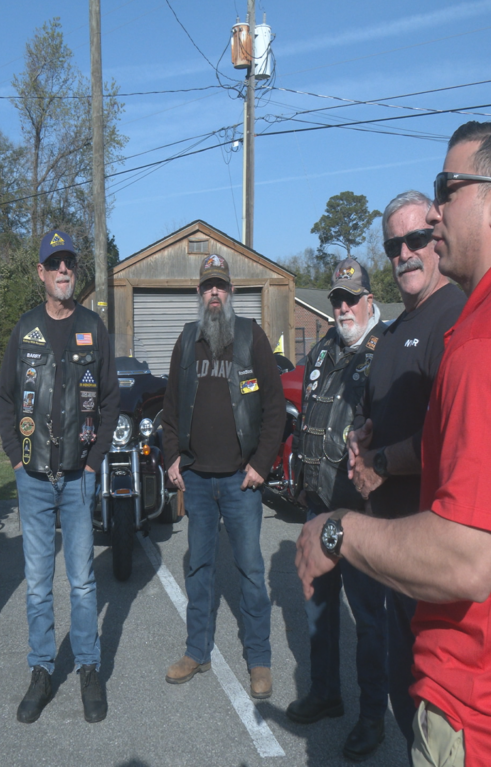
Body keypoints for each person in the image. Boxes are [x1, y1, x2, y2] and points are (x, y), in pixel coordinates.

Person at [296, 122, 491, 767]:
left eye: (448, 188)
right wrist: (380, 454)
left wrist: (336, 532)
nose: (434, 214)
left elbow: (467, 558)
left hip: (487, 705)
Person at [346, 191, 465, 749]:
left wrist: (381, 465)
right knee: (401, 686)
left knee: (433, 699)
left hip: (433, 543)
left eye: (416, 239)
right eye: (394, 244)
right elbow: (375, 414)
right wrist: (361, 439)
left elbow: (453, 434)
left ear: (436, 240)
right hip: (391, 543)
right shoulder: (391, 333)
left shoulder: (458, 316)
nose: (405, 254)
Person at [0, 229, 119, 724]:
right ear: (41, 274)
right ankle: (42, 670)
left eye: (70, 262)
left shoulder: (94, 327)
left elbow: (109, 399)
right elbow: (6, 397)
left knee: (84, 581)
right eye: (55, 263)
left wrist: (93, 462)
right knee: (39, 583)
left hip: (78, 476)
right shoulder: (25, 329)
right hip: (34, 477)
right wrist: (16, 457)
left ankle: (88, 668)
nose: (64, 270)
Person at [161, 253, 285, 700]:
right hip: (196, 479)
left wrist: (261, 465)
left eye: (221, 286)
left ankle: (259, 661)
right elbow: (169, 407)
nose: (215, 293)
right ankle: (197, 651)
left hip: (240, 480)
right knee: (199, 567)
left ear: (230, 293)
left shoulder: (252, 337)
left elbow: (274, 411)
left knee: (251, 570)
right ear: (199, 294)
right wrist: (172, 457)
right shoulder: (186, 340)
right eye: (208, 286)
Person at [285, 258, 390, 762]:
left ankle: (374, 717)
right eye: (336, 299)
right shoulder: (326, 347)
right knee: (318, 607)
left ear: (370, 299)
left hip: (363, 513)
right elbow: (309, 413)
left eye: (351, 297)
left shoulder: (385, 350)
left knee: (369, 618)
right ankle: (326, 693)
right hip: (318, 502)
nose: (343, 306)